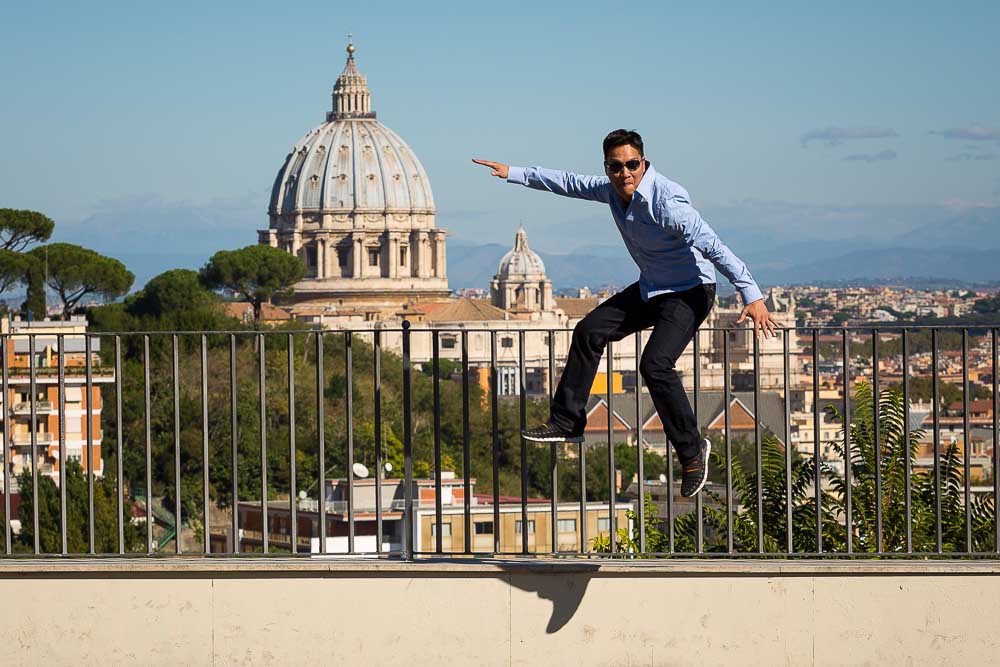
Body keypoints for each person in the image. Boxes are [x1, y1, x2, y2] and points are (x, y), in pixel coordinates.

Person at [473, 129, 777, 497]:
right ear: (608, 168)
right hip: (652, 287)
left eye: (632, 165)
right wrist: (514, 172)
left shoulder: (667, 203)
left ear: (644, 163)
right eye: (616, 167)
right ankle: (567, 421)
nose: (624, 173)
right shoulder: (611, 191)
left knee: (654, 364)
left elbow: (714, 246)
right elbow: (568, 182)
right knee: (588, 330)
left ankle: (693, 450)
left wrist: (751, 294)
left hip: (691, 291)